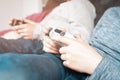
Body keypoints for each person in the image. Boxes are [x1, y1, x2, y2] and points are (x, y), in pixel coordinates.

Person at [0, 6, 119, 80]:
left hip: (92, 67)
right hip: (61, 54)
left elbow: (83, 34)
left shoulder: (80, 4)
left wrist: (97, 66)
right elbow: (88, 43)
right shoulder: (112, 12)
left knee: (10, 68)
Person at [0, 0, 95, 53]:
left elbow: (82, 39)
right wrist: (33, 26)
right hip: (25, 41)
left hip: (41, 46)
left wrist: (37, 31)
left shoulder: (81, 4)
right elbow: (48, 28)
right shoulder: (60, 8)